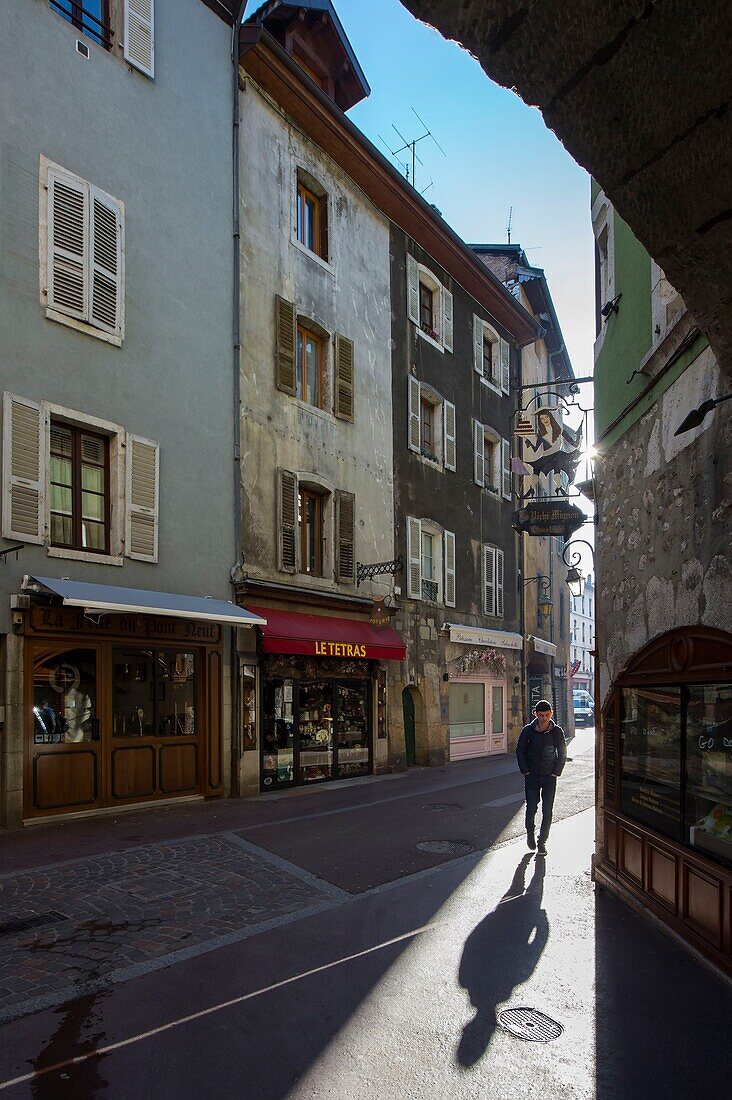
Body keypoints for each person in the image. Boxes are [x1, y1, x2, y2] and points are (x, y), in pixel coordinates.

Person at [516, 699, 567, 855]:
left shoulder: (557, 731)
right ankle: (530, 833)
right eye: (541, 715)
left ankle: (542, 842)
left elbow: (562, 753)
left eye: (546, 715)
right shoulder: (528, 731)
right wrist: (525, 771)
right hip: (531, 776)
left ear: (551, 713)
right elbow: (520, 751)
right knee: (531, 807)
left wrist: (556, 772)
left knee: (547, 810)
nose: (544, 718)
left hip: (549, 777)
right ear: (536, 714)